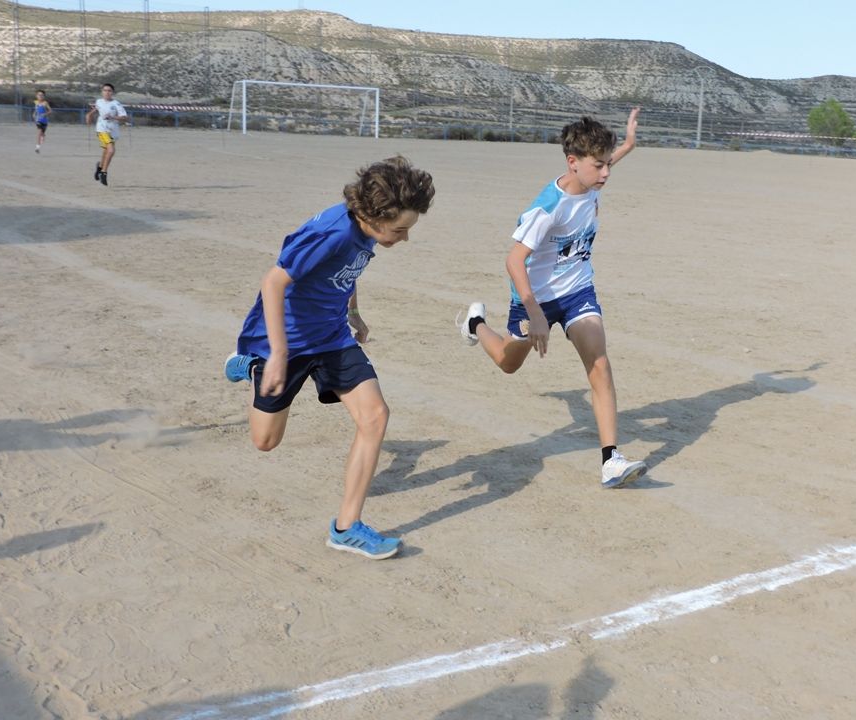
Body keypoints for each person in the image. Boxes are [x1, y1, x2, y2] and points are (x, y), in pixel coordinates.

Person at [224, 156, 435, 560]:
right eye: (400, 230)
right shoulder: (332, 233)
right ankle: (251, 364)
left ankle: (346, 528)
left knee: (375, 416)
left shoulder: (367, 229)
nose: (405, 238)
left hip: (333, 337)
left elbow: (346, 272)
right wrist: (277, 354)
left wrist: (353, 313)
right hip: (285, 341)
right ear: (374, 216)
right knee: (265, 441)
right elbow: (273, 281)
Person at [460, 109, 648, 489]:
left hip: (578, 290)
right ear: (573, 162)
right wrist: (535, 313)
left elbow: (608, 160)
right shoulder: (548, 207)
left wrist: (629, 142)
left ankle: (611, 460)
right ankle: (475, 323)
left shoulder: (591, 181)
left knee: (599, 362)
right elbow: (514, 260)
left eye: (608, 164)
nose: (606, 173)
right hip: (535, 299)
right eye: (599, 166)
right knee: (508, 363)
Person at [84, 83, 128, 186]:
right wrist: (89, 115)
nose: (107, 92)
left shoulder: (116, 104)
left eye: (109, 91)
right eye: (105, 90)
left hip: (113, 131)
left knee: (106, 151)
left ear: (112, 92)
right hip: (102, 129)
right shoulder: (99, 101)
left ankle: (99, 167)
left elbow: (124, 117)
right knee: (111, 150)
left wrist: (113, 117)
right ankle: (104, 173)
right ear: (102, 92)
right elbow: (96, 109)